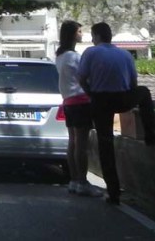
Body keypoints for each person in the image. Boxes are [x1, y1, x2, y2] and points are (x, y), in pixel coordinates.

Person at [77, 21, 155, 205]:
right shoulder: (125, 54)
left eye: (93, 37)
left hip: (101, 100)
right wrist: (127, 98)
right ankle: (151, 135)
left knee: (105, 145)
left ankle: (114, 193)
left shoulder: (90, 52)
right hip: (122, 98)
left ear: (97, 36)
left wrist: (91, 94)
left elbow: (81, 78)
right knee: (144, 92)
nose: (92, 40)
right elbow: (133, 83)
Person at [54, 20, 103, 197]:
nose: (82, 34)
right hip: (81, 101)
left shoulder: (60, 56)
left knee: (73, 142)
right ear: (73, 34)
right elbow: (85, 76)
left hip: (68, 101)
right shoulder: (75, 57)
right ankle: (83, 181)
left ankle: (74, 180)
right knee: (82, 144)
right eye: (79, 31)